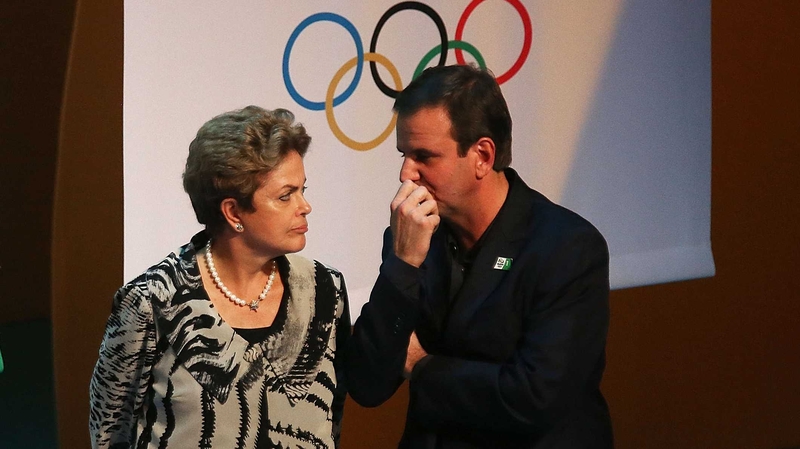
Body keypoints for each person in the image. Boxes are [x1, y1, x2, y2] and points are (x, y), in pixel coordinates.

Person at [345, 64, 613, 448]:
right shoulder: (413, 237)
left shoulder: (566, 248)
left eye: (424, 156)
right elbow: (368, 384)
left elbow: (533, 399)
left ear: (483, 156)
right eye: (404, 154)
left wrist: (421, 366)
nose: (407, 174)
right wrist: (403, 265)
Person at [89, 106, 350, 449]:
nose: (304, 206)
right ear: (233, 211)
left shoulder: (324, 290)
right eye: (286, 196)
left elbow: (331, 417)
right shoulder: (152, 301)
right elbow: (110, 431)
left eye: (302, 190)